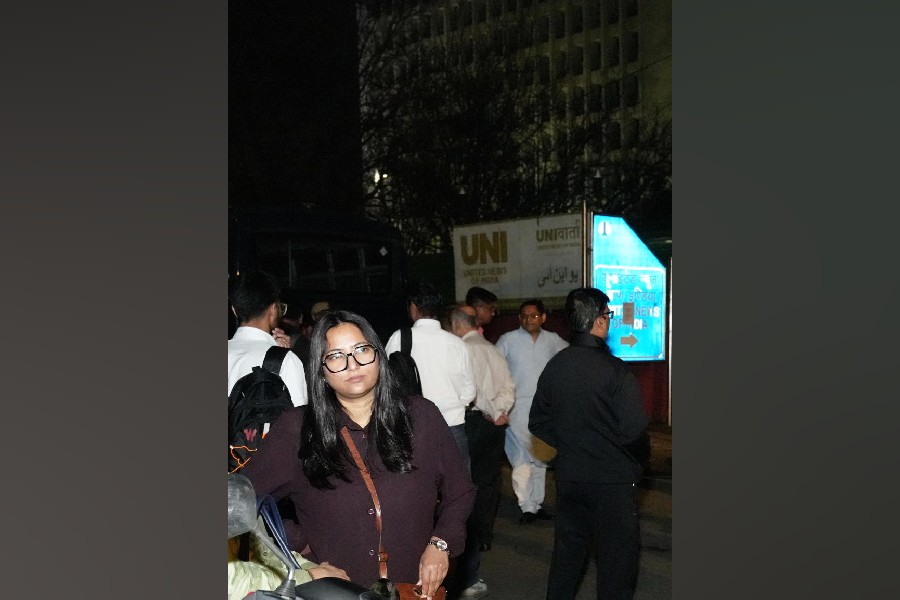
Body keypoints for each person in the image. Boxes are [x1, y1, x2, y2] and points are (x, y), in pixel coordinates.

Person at [242, 310, 475, 596]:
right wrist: (301, 545)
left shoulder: (421, 416)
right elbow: (242, 500)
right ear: (321, 371)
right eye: (336, 356)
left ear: (378, 355)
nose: (352, 364)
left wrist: (442, 543)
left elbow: (460, 492)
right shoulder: (297, 429)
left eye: (361, 350)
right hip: (336, 591)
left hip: (414, 588)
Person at [529, 287, 650, 600]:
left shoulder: (555, 367)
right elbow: (634, 433)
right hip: (613, 480)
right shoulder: (617, 371)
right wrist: (637, 464)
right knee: (616, 563)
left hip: (570, 476)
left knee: (568, 557)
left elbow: (537, 422)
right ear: (599, 321)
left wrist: (569, 444)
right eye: (608, 315)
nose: (608, 321)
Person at [447, 305, 515, 599]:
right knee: (489, 481)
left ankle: (470, 540)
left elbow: (472, 391)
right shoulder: (492, 348)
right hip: (494, 423)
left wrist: (490, 411)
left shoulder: (461, 349)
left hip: (474, 420)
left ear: (457, 325)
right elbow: (508, 386)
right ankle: (484, 536)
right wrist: (500, 411)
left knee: (467, 484)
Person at [385, 282, 476, 470]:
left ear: (413, 307)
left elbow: (385, 382)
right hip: (452, 426)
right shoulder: (457, 344)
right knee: (457, 489)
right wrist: (454, 406)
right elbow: (470, 391)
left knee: (420, 489)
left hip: (414, 427)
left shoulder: (400, 338)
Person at [495, 299, 568, 524]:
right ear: (519, 318)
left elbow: (570, 359)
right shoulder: (508, 340)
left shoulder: (553, 340)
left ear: (543, 317)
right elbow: (495, 369)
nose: (529, 319)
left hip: (545, 409)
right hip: (516, 408)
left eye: (534, 315)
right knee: (521, 459)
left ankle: (536, 504)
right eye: (524, 316)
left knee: (540, 459)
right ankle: (526, 506)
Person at [228, 270, 308, 407]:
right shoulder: (285, 361)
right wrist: (279, 355)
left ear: (234, 310)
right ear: (273, 310)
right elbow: (297, 421)